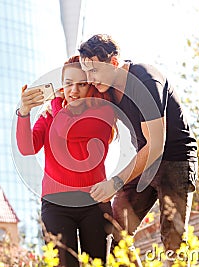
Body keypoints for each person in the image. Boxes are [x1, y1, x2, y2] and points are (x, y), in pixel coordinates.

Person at [78, 34, 198, 262]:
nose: (90, 78)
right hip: (144, 161)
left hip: (174, 160)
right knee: (114, 230)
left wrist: (115, 182)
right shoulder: (107, 88)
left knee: (174, 240)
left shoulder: (146, 80)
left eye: (93, 70)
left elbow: (156, 145)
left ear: (113, 63)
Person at [16, 55, 117, 267]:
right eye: (68, 84)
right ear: (62, 85)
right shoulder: (49, 115)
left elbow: (67, 130)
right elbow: (27, 148)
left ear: (91, 86)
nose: (74, 90)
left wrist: (54, 101)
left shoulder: (103, 111)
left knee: (97, 264)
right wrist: (24, 112)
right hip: (56, 203)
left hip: (94, 201)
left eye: (82, 84)